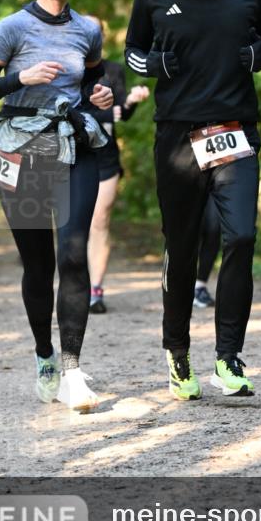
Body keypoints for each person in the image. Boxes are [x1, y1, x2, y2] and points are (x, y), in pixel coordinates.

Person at [125, 0, 261, 400]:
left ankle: (229, 358)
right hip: (177, 138)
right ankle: (178, 355)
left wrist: (257, 56)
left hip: (235, 130)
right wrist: (158, 66)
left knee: (241, 237)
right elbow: (133, 52)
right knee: (183, 249)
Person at [0, 0, 113, 409]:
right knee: (39, 263)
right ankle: (45, 355)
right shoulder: (12, 28)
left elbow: (92, 80)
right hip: (23, 150)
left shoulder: (88, 29)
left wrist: (101, 95)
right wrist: (20, 79)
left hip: (73, 145)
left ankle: (72, 370)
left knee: (73, 252)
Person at [83, 16, 150, 314]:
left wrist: (133, 101)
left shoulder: (113, 71)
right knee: (73, 226)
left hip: (105, 157)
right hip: (70, 157)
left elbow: (122, 112)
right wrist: (109, 116)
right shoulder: (63, 69)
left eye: (97, 31)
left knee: (100, 220)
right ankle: (75, 284)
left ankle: (95, 290)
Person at [193, 194, 220, 309]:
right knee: (188, 231)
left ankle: (199, 287)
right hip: (186, 180)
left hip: (215, 183)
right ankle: (181, 287)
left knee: (214, 228)